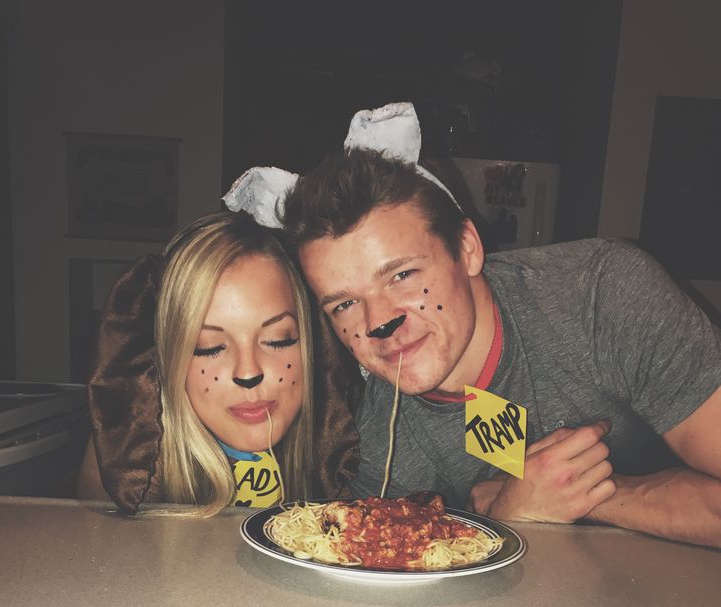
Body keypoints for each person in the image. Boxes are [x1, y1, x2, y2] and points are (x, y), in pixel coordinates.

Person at [279, 102, 721, 547]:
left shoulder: (606, 296)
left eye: (402, 275)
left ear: (467, 247)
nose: (379, 324)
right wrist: (505, 517)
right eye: (344, 305)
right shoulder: (380, 445)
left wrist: (588, 499)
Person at [77, 208, 360, 516]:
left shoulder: (355, 451)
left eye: (278, 339)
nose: (248, 372)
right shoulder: (127, 460)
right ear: (170, 359)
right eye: (209, 347)